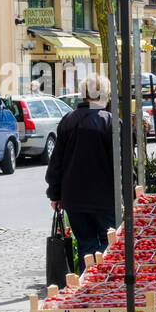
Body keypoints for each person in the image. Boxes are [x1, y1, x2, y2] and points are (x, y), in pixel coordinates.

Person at [46, 73, 116, 261]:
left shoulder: (68, 120)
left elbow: (56, 162)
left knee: (86, 245)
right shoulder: (110, 122)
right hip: (105, 199)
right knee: (109, 245)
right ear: (104, 95)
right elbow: (121, 163)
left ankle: (88, 284)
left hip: (74, 198)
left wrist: (55, 194)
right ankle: (104, 285)